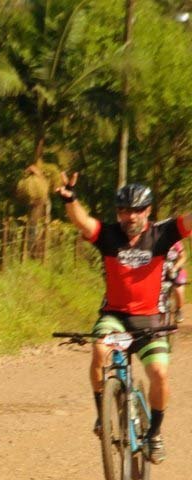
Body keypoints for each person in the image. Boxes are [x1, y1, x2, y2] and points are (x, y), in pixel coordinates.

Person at [56, 176, 187, 463]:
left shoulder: (162, 234)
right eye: (125, 211)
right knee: (99, 350)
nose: (131, 217)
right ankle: (103, 415)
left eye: (137, 210)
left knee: (159, 374)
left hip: (151, 321)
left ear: (148, 211)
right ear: (118, 213)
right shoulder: (109, 235)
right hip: (115, 318)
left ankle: (154, 433)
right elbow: (83, 222)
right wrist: (70, 199)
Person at [163, 240, 186, 323]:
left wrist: (175, 268)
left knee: (179, 290)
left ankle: (178, 310)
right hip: (162, 271)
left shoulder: (176, 243)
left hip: (176, 269)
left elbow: (183, 257)